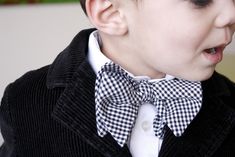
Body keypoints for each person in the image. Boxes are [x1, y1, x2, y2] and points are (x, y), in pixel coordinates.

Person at [1, 0, 235, 156]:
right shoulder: (24, 102)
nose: (231, 13)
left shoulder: (231, 104)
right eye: (201, 0)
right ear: (111, 13)